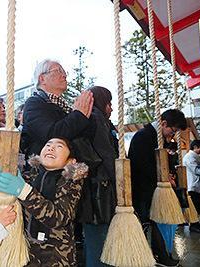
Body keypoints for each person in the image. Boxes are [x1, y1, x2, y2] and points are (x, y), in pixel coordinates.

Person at [0, 137, 88, 266]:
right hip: (24, 253)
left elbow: (59, 217)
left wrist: (24, 191)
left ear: (71, 161)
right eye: (47, 144)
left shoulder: (71, 183)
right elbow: (2, 201)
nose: (51, 148)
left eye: (59, 146)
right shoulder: (28, 176)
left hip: (57, 256)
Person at [129, 109, 187, 266]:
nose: (172, 135)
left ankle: (159, 254)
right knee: (145, 223)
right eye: (172, 130)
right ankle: (141, 257)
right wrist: (163, 176)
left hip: (154, 189)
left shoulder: (161, 138)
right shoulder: (143, 137)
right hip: (143, 190)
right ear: (163, 123)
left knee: (156, 222)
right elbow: (142, 165)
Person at [77, 86, 118, 267]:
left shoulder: (91, 118)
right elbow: (107, 154)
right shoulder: (96, 118)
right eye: (109, 103)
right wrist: (120, 181)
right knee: (99, 241)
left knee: (94, 240)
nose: (111, 108)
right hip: (99, 190)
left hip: (91, 188)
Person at [21, 59, 93, 158]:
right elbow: (51, 135)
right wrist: (79, 115)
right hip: (48, 170)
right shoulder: (34, 103)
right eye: (58, 71)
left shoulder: (63, 106)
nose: (64, 75)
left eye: (64, 72)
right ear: (42, 78)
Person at [183, 139, 200, 234]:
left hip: (197, 185)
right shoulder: (189, 157)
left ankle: (195, 223)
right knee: (195, 206)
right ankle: (194, 225)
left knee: (197, 206)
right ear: (195, 147)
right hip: (193, 185)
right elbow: (198, 171)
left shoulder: (194, 157)